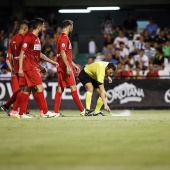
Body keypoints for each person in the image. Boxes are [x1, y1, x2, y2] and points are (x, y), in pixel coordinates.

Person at [11, 17, 59, 118]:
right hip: (30, 67)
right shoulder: (29, 37)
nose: (44, 27)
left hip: (34, 66)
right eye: (43, 25)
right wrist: (20, 68)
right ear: (39, 26)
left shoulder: (37, 38)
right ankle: (45, 112)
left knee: (27, 90)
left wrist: (51, 62)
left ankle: (22, 113)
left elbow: (39, 54)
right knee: (40, 88)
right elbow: (22, 53)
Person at [54, 19, 93, 116]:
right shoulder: (64, 37)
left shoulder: (60, 37)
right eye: (72, 27)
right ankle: (83, 111)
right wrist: (68, 66)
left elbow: (65, 55)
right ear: (69, 26)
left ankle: (55, 112)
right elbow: (62, 53)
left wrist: (74, 65)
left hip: (62, 66)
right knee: (73, 87)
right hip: (64, 67)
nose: (72, 29)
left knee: (60, 89)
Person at [0, 20, 29, 115]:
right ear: (24, 29)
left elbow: (8, 58)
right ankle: (15, 109)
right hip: (22, 68)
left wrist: (12, 68)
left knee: (22, 90)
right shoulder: (25, 38)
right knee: (24, 90)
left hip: (15, 69)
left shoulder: (12, 40)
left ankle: (11, 107)